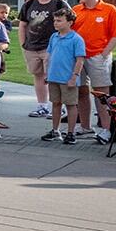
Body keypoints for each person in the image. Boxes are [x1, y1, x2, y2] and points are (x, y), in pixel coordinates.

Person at [69, 0, 116, 137]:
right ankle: (85, 126)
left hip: (98, 56)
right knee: (81, 91)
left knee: (101, 93)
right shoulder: (76, 10)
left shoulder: (109, 10)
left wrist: (105, 53)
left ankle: (106, 129)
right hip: (78, 57)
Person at [18, 0, 66, 120]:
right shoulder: (29, 4)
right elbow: (22, 25)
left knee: (52, 77)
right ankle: (42, 106)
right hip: (32, 47)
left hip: (51, 47)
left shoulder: (58, 4)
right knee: (38, 76)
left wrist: (61, 44)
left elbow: (68, 24)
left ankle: (58, 107)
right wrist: (23, 44)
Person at [39, 8, 89, 144]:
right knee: (56, 104)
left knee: (71, 105)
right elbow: (49, 56)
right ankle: (55, 130)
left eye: (59, 21)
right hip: (53, 77)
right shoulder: (54, 37)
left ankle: (71, 133)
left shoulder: (76, 39)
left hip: (67, 78)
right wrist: (46, 73)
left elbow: (80, 59)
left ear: (70, 22)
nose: (56, 23)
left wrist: (74, 77)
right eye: (55, 20)